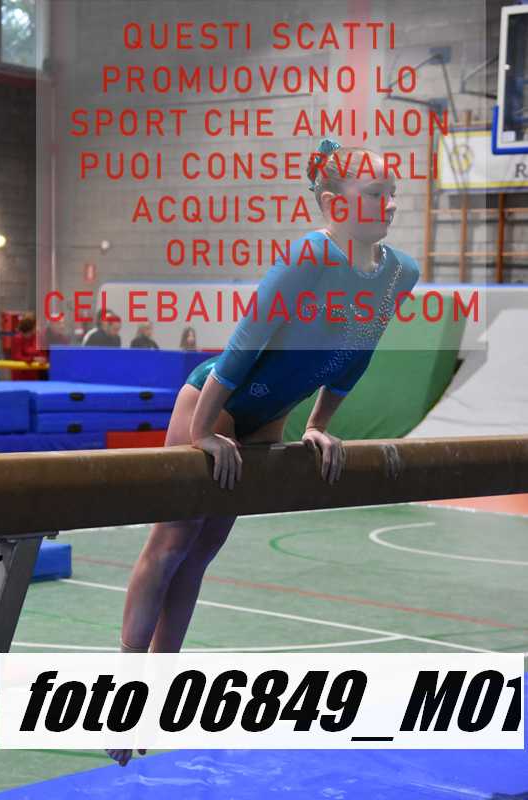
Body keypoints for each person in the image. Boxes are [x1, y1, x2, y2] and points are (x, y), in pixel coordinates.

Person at [106, 138, 419, 767]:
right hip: (215, 400)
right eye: (372, 195)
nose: (388, 205)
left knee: (199, 556)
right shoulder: (308, 257)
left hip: (269, 418)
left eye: (391, 194)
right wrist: (201, 431)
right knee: (170, 544)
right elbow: (245, 344)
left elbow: (356, 352)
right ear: (334, 203)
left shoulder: (397, 273)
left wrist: (319, 423)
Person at [10, 312, 47, 380]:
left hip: (34, 374)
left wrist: (43, 359)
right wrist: (33, 359)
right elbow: (17, 357)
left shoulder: (36, 337)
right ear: (31, 327)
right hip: (20, 375)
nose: (38, 327)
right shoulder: (17, 338)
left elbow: (41, 353)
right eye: (36, 325)